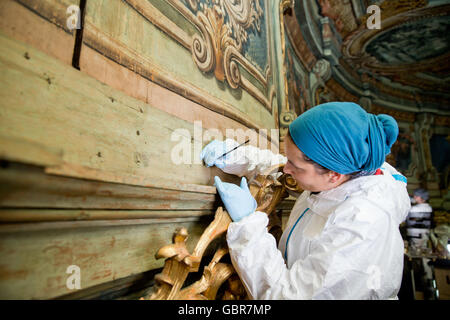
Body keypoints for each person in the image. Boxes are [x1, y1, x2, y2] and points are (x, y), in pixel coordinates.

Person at [201, 102, 411, 299]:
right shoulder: (352, 169)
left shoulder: (362, 227)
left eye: (294, 165)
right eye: (288, 159)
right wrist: (236, 156)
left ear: (334, 175)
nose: (286, 169)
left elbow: (285, 295)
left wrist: (248, 225)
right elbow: (294, 166)